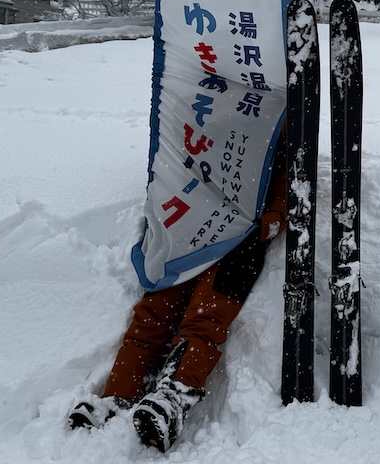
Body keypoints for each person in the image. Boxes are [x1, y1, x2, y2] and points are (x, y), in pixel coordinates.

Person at [68, 149, 286, 452]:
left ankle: (174, 397)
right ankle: (118, 396)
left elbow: (287, 176)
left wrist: (270, 219)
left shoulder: (278, 121)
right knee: (152, 313)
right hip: (188, 226)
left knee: (205, 317)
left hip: (240, 238)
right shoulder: (204, 115)